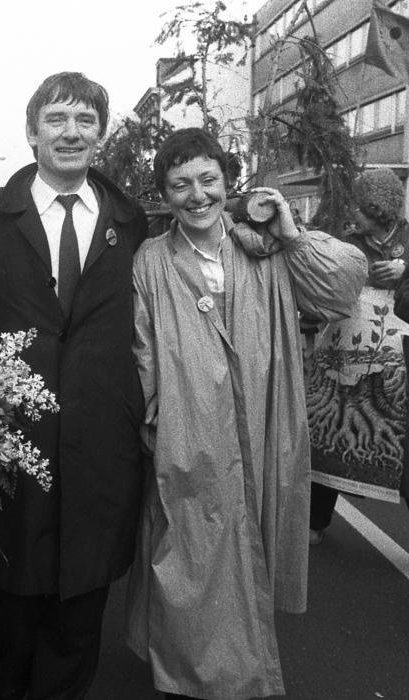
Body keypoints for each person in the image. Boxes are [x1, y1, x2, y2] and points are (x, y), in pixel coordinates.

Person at [127, 127, 366, 699]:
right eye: (180, 184)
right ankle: (193, 677)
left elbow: (341, 289)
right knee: (187, 552)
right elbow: (142, 347)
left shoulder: (264, 248)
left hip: (263, 419)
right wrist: (156, 420)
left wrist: (289, 230)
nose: (197, 195)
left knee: (245, 544)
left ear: (229, 184)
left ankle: (231, 669)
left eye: (208, 180)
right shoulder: (152, 260)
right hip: (189, 428)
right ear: (165, 193)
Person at [0, 71, 150, 700]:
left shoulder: (131, 219)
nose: (72, 133)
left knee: (82, 603)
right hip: (11, 439)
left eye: (85, 121)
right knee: (12, 602)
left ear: (102, 134)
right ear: (32, 132)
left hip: (100, 441)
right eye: (58, 119)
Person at [309, 168, 409, 541]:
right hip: (345, 351)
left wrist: (406, 272)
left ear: (379, 209)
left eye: (361, 207)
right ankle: (315, 522)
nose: (353, 212)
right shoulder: (347, 242)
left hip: (397, 356)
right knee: (331, 428)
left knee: (400, 438)